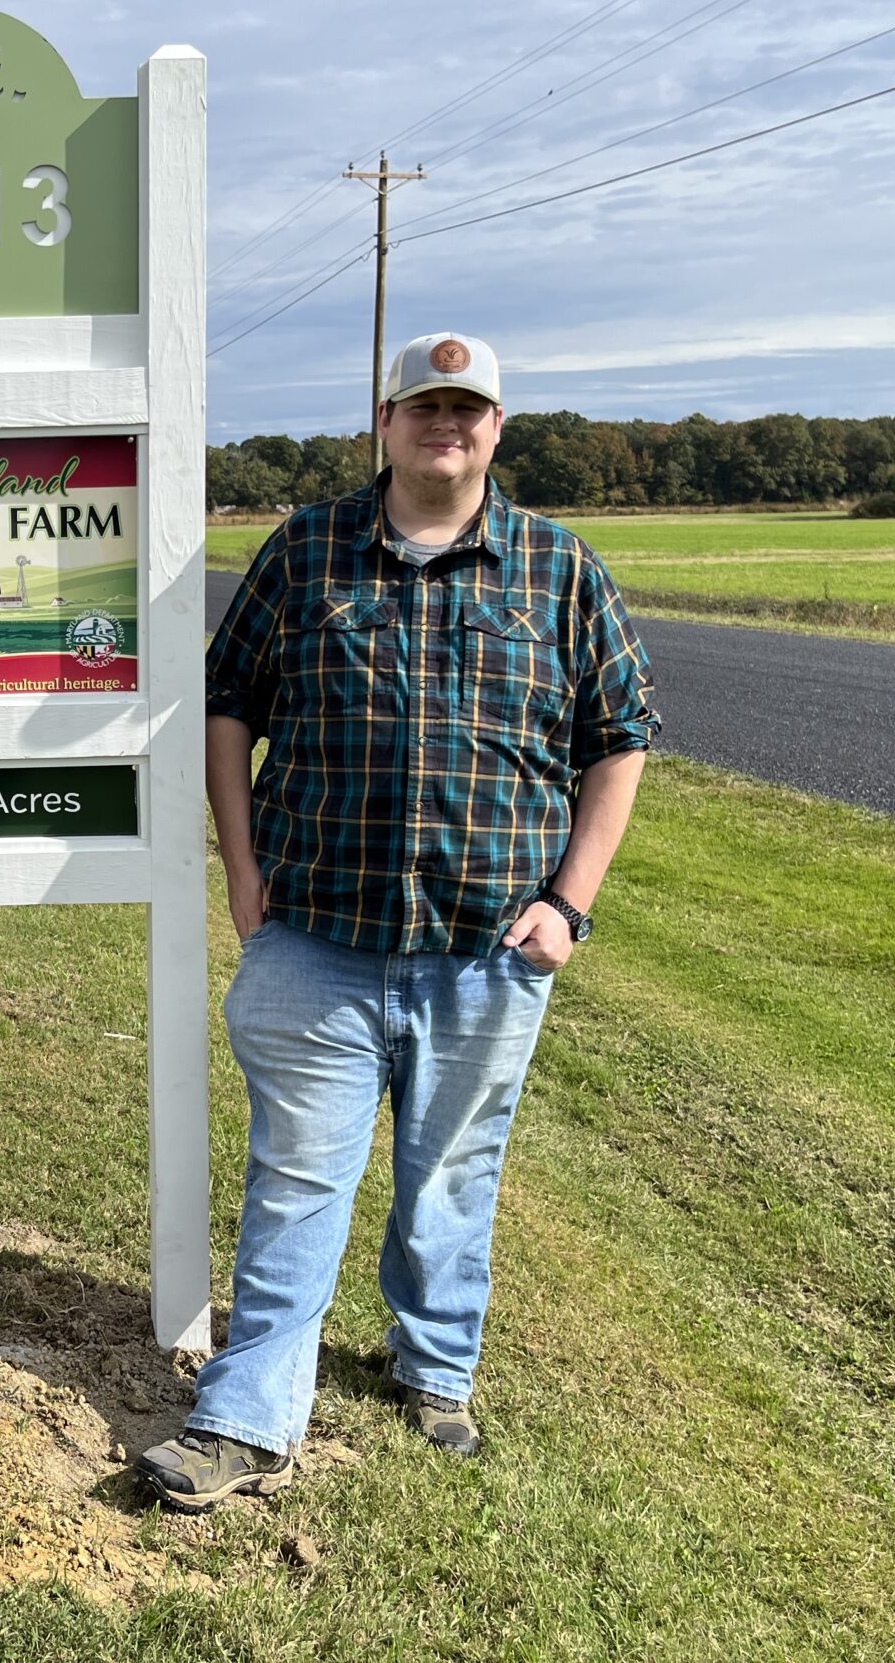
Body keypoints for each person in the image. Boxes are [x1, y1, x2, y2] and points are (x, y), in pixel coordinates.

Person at [141, 331, 656, 1507]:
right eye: (425, 405)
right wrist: (240, 866)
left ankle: (435, 1371)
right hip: (318, 937)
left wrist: (569, 905)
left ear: (496, 428)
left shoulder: (557, 569)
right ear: (384, 421)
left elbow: (617, 738)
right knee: (298, 1179)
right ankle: (246, 1416)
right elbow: (228, 707)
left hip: (486, 947)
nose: (447, 425)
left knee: (450, 1177)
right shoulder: (307, 550)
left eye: (467, 409)